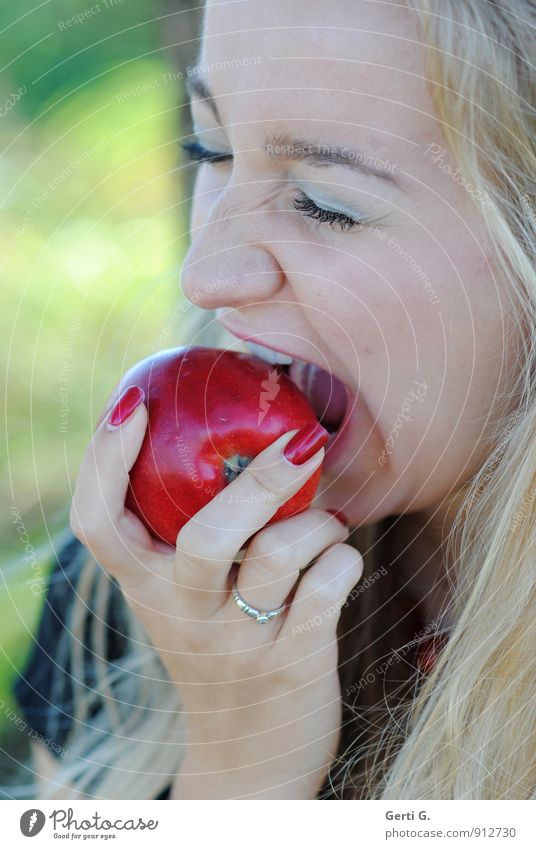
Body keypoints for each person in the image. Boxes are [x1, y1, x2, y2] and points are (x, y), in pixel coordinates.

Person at [13, 0, 535, 799]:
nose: (206, 277)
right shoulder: (133, 604)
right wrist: (234, 765)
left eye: (328, 201)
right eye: (210, 147)